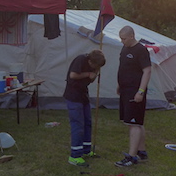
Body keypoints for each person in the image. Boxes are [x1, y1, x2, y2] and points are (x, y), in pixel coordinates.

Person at [115, 26, 152, 167]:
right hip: (125, 89)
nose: (121, 41)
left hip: (135, 91)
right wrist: (120, 84)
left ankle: (131, 156)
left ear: (131, 36)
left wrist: (140, 91)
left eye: (123, 38)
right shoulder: (125, 49)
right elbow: (124, 68)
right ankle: (142, 152)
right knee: (137, 122)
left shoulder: (140, 50)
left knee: (133, 124)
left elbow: (147, 71)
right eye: (120, 38)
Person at [64, 50, 106, 167]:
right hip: (73, 96)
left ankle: (86, 150)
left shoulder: (94, 66)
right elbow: (73, 75)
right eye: (95, 66)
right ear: (90, 61)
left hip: (83, 95)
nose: (96, 68)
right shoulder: (80, 59)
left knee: (87, 123)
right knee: (78, 125)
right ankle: (75, 156)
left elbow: (91, 80)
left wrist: (95, 73)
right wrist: (88, 74)